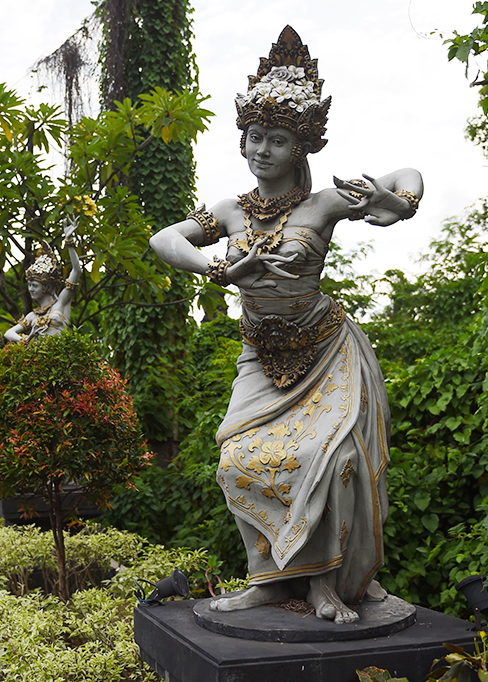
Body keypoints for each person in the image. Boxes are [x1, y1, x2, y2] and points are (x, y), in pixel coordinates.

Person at [149, 26, 423, 625]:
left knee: (332, 459)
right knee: (235, 459)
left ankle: (324, 586)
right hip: (260, 356)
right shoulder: (229, 212)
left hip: (325, 349)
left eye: (276, 139)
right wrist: (218, 267)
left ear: (301, 148)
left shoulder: (321, 204)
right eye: (254, 136)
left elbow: (407, 177)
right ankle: (268, 582)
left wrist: (399, 199)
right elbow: (164, 238)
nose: (261, 149)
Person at [3, 218, 82, 343]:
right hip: (41, 360)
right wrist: (26, 341)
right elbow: (8, 333)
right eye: (29, 285)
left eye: (34, 285)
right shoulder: (32, 316)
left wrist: (69, 242)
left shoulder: (61, 302)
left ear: (48, 287)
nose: (30, 289)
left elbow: (77, 270)